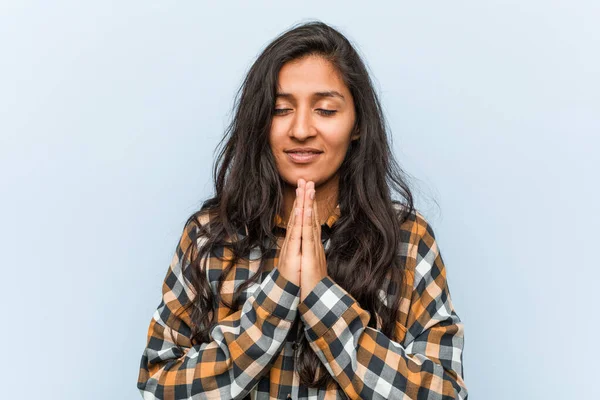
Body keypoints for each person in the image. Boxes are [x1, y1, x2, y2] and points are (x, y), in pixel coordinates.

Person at [137, 20, 468, 400]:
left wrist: (321, 297)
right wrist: (278, 295)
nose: (301, 129)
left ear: (356, 124)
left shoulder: (407, 241)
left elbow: (445, 393)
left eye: (326, 110)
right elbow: (158, 386)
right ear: (260, 120)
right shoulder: (210, 236)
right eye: (280, 109)